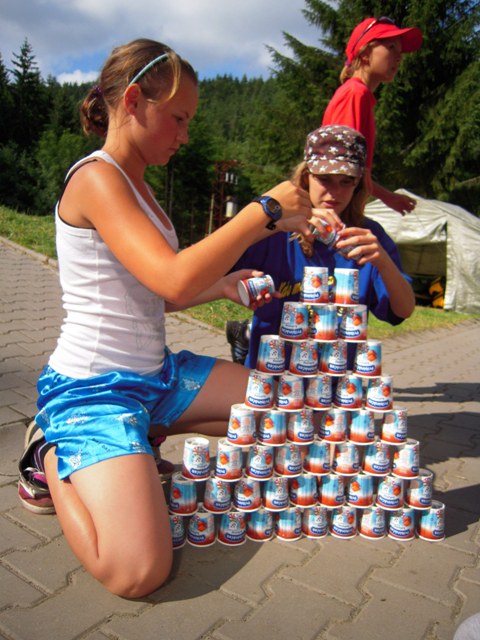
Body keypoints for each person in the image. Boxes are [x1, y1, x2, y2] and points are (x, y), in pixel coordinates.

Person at [17, 38, 313, 598]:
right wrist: (264, 212)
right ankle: (51, 452)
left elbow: (156, 291)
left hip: (155, 377)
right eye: (179, 118)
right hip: (93, 391)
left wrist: (219, 286)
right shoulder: (96, 179)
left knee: (287, 411)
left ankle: (142, 436)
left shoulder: (140, 187)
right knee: (138, 572)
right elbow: (172, 277)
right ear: (133, 101)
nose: (185, 135)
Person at [228, 124, 415, 370]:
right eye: (324, 179)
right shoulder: (276, 229)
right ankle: (243, 338)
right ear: (306, 176)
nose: (334, 192)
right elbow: (213, 270)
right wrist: (273, 223)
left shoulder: (368, 236)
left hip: (336, 381)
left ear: (359, 184)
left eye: (346, 181)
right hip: (270, 377)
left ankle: (242, 336)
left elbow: (403, 311)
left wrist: (384, 262)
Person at [322, 16, 422, 216]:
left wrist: (387, 197)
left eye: (400, 50)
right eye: (391, 47)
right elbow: (341, 167)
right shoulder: (354, 94)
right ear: (365, 53)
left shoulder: (359, 95)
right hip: (338, 212)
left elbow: (354, 169)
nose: (399, 57)